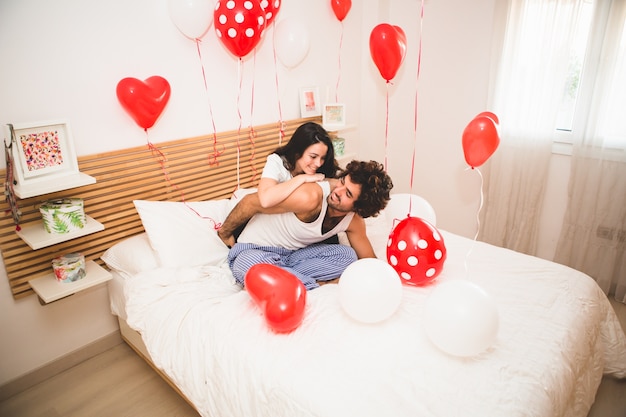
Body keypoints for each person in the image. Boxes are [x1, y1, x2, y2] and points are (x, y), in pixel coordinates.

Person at [218, 160, 393, 290]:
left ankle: (287, 280)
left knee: (347, 256)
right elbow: (251, 201)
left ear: (359, 208)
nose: (337, 191)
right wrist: (224, 233)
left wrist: (388, 279)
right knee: (249, 265)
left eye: (347, 193)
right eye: (342, 182)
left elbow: (369, 261)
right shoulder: (310, 197)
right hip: (255, 250)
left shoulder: (354, 221)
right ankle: (313, 287)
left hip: (294, 256)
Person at [257, 122, 339, 209]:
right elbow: (265, 200)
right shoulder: (276, 161)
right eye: (313, 156)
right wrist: (302, 178)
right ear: (298, 151)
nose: (318, 163)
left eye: (323, 158)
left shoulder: (324, 168)